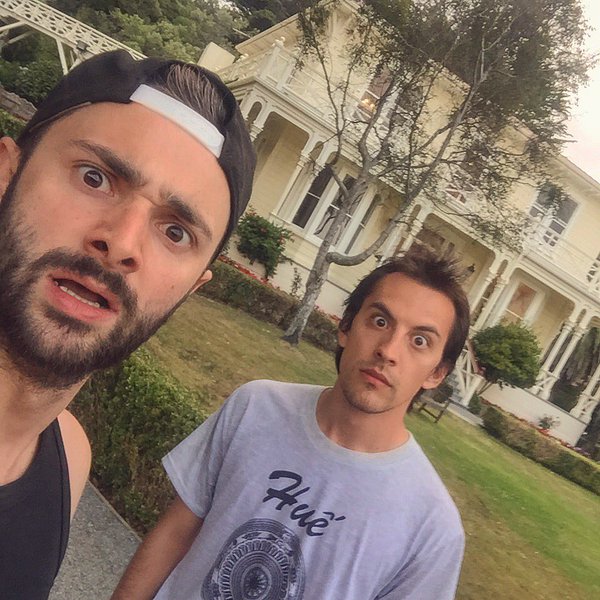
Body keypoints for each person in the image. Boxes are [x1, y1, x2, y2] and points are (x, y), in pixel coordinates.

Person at [0, 49, 255, 600]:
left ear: (191, 289)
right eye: (95, 178)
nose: (121, 242)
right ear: (6, 173)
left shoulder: (67, 462)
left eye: (175, 232)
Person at [112, 246, 470, 600]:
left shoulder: (432, 527)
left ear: (437, 373)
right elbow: (176, 531)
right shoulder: (256, 406)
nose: (388, 350)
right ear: (346, 327)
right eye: (379, 321)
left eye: (419, 341)